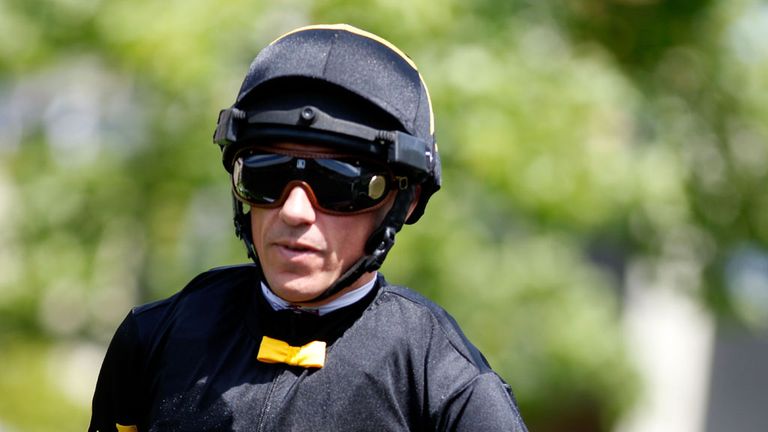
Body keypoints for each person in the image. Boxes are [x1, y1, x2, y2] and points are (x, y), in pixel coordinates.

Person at [89, 24, 528, 432]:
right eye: (266, 174)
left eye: (339, 183)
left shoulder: (451, 386)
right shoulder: (151, 339)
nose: (295, 210)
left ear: (405, 201)